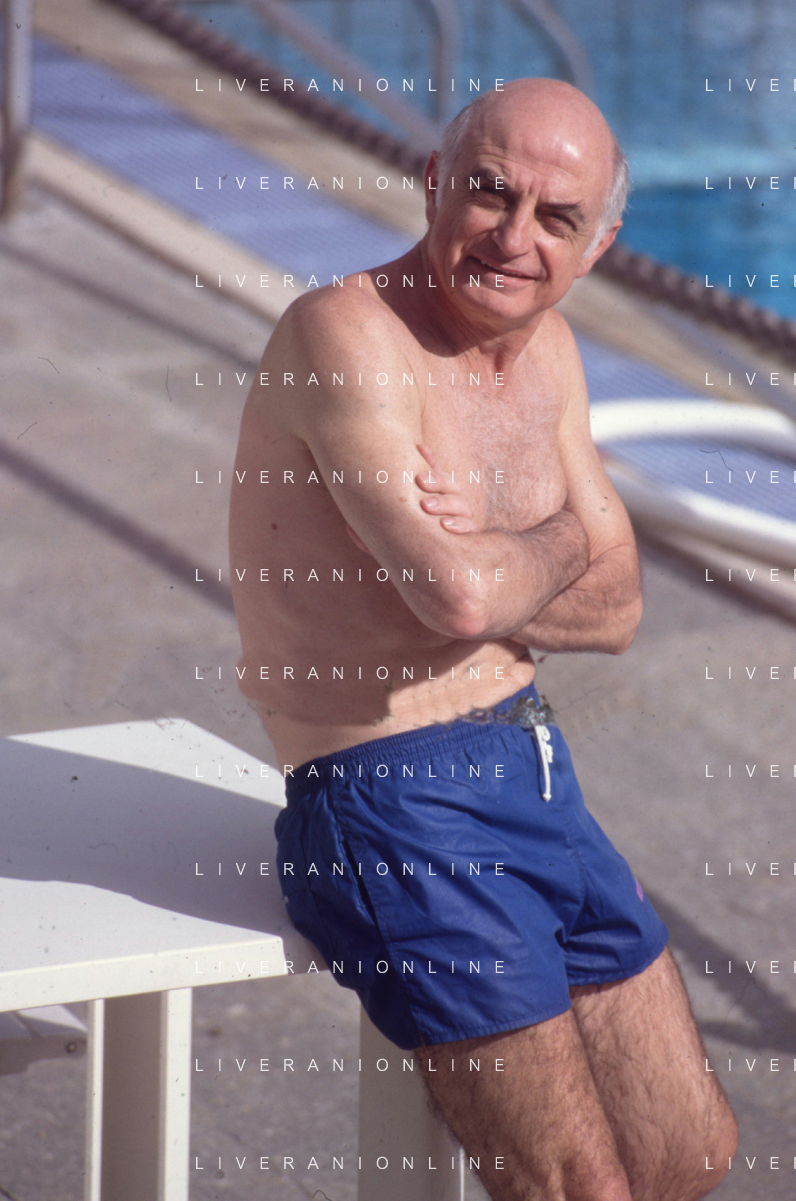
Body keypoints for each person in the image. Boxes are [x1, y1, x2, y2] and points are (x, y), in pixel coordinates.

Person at [229, 78, 737, 1201]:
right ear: (434, 182)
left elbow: (619, 611)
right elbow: (460, 600)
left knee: (687, 1150)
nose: (514, 238)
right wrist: (570, 531)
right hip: (383, 796)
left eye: (557, 217)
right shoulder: (345, 334)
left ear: (598, 245)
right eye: (491, 193)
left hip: (532, 762)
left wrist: (502, 552)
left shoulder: (549, 352)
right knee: (576, 1186)